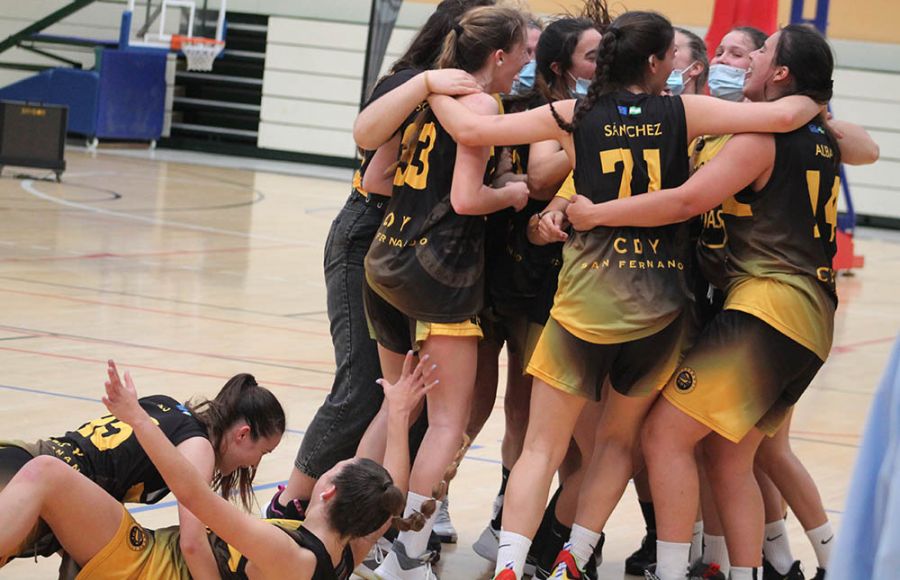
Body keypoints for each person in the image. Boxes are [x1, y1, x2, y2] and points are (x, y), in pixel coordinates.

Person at [425, 10, 824, 579]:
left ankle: (511, 566)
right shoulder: (683, 111)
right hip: (660, 311)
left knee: (541, 446)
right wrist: (820, 100)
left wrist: (431, 82)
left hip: (584, 303)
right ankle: (575, 557)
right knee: (617, 445)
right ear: (659, 62)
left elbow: (473, 132)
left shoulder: (572, 112)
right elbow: (786, 113)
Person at [561, 24, 878, 580]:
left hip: (768, 308)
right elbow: (861, 146)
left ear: (780, 73)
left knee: (663, 435)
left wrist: (595, 214)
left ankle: (673, 568)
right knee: (734, 455)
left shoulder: (760, 137)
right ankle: (753, 569)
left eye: (759, 52)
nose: (749, 59)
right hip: (806, 314)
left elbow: (685, 201)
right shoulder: (815, 133)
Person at [266, 0, 492, 538]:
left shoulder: (468, 93)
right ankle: (292, 501)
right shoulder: (412, 81)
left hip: (413, 244)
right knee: (365, 386)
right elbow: (372, 159)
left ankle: (397, 511)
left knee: (413, 395)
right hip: (370, 231)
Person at [0, 355, 437, 580]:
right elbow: (389, 496)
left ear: (328, 491)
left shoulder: (288, 553)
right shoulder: (343, 554)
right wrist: (396, 415)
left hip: (149, 566)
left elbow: (193, 494)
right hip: (151, 553)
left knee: (47, 473)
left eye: (336, 466)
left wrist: (136, 417)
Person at [361, 6, 531, 579]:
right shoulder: (480, 105)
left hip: (385, 257)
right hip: (441, 271)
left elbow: (375, 179)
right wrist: (510, 195)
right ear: (498, 56)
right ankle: (407, 554)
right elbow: (465, 200)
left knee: (395, 404)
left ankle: (352, 530)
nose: (527, 62)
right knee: (445, 424)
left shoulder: (419, 94)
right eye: (522, 53)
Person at [0, 371, 285, 579]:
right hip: (45, 485)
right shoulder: (199, 449)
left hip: (25, 456)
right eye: (262, 452)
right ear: (243, 434)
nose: (254, 463)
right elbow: (192, 543)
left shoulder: (169, 406)